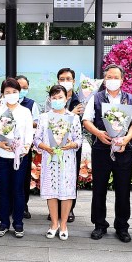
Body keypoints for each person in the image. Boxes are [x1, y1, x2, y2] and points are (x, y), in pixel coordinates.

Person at [83, 64, 132, 242]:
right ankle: (99, 225)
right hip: (101, 149)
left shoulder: (130, 99)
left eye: (116, 77)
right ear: (104, 79)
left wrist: (127, 138)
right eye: (109, 77)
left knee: (123, 190)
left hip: (123, 150)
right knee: (99, 188)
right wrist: (98, 133)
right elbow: (86, 120)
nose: (112, 80)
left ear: (122, 80)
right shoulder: (96, 98)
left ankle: (122, 227)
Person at [34, 85, 82, 240]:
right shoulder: (44, 117)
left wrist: (71, 144)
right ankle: (54, 224)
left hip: (67, 160)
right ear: (50, 99)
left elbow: (79, 140)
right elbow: (36, 139)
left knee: (66, 192)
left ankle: (64, 225)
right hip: (49, 159)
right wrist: (46, 147)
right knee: (52, 191)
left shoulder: (73, 118)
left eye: (60, 97)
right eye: (54, 98)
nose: (57, 100)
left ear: (66, 98)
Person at [0, 78, 35, 238]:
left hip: (20, 156)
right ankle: (3, 222)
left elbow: (29, 132)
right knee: (4, 189)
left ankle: (18, 222)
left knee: (18, 190)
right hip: (2, 155)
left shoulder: (25, 111)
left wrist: (26, 146)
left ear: (19, 93)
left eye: (14, 92)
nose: (11, 94)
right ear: (2, 94)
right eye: (7, 92)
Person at [47, 67, 83, 223]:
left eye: (68, 79)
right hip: (52, 147)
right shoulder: (51, 98)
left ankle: (69, 209)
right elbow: (47, 118)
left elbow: (84, 121)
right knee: (53, 177)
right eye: (62, 79)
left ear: (74, 81)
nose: (65, 81)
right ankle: (54, 211)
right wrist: (71, 113)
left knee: (70, 177)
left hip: (72, 146)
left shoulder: (81, 98)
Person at [15, 75, 39, 219]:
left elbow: (37, 122)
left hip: (25, 146)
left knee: (24, 177)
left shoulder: (31, 104)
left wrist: (25, 121)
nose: (22, 90)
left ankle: (23, 206)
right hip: (7, 147)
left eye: (25, 88)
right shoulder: (4, 102)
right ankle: (9, 205)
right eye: (20, 87)